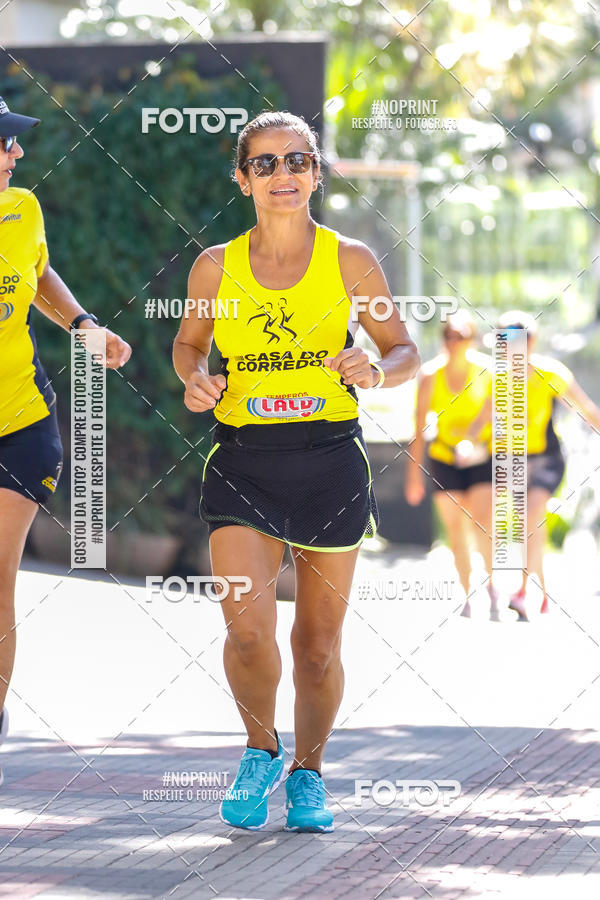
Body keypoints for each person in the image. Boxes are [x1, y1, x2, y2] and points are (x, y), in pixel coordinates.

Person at [173, 110, 419, 833]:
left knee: (315, 648)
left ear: (315, 172)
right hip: (244, 463)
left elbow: (404, 349)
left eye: (297, 161)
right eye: (267, 163)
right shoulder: (214, 264)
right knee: (248, 632)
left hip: (330, 464)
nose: (283, 175)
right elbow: (190, 344)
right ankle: (261, 749)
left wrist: (374, 367)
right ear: (242, 177)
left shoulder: (350, 260)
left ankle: (309, 772)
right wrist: (193, 378)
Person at [0, 97, 131, 784]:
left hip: (20, 423)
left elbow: (38, 273)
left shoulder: (22, 209)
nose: (15, 154)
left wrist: (82, 323)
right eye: (3, 143)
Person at [497, 311, 600, 621]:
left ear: (533, 340)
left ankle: (522, 590)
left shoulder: (550, 372)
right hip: (514, 461)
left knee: (531, 515)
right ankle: (540, 591)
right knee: (529, 526)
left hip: (548, 458)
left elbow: (585, 408)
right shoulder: (495, 376)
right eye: (506, 339)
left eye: (520, 338)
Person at [405, 310, 498, 620]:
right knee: (456, 530)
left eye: (461, 337)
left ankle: (493, 585)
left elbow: (490, 412)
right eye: (448, 336)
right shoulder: (431, 375)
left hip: (480, 457)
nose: (454, 343)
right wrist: (413, 476)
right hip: (444, 458)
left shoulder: (487, 371)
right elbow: (418, 427)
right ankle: (467, 592)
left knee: (482, 523)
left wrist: (470, 441)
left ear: (472, 339)